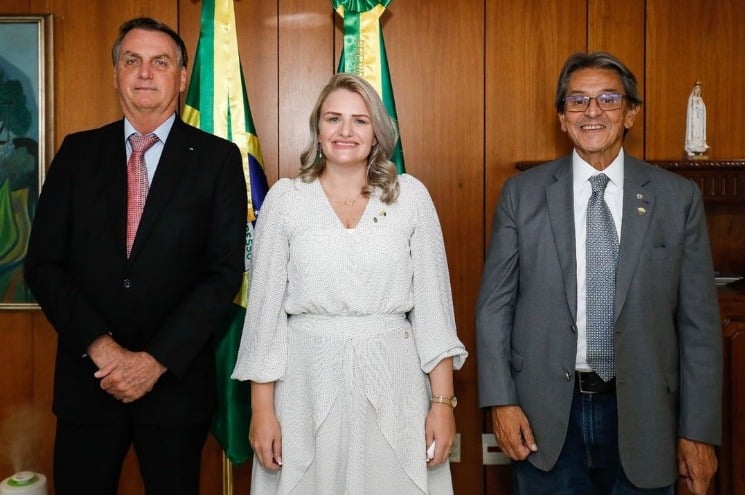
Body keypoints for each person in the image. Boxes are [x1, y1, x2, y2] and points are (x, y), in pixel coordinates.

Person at [476, 52, 722, 495]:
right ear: (562, 117)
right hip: (545, 417)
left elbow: (699, 326)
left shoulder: (676, 199)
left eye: (608, 99)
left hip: (646, 414)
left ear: (631, 113)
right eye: (578, 101)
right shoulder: (522, 195)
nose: (593, 112)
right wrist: (501, 401)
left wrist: (698, 431)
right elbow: (494, 308)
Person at [24, 17, 247, 495]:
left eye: (160, 62)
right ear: (116, 74)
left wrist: (153, 361)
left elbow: (224, 273)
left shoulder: (218, 160)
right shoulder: (77, 154)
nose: (145, 73)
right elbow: (43, 264)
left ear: (182, 77)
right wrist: (102, 348)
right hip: (89, 385)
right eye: (133, 60)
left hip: (173, 391)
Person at [231, 72, 467, 494]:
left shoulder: (410, 196)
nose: (345, 131)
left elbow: (435, 311)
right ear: (317, 130)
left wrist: (442, 404)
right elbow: (264, 316)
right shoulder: (286, 199)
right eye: (333, 118)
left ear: (377, 132)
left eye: (359, 120)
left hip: (394, 382)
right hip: (304, 384)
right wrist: (262, 409)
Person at [685, 81, 709, 156]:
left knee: (699, 133)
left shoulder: (701, 100)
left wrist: (700, 108)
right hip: (694, 120)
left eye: (699, 90)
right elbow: (691, 110)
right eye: (696, 90)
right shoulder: (692, 100)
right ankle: (692, 148)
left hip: (699, 120)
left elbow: (703, 109)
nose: (697, 91)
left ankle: (699, 148)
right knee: (694, 132)